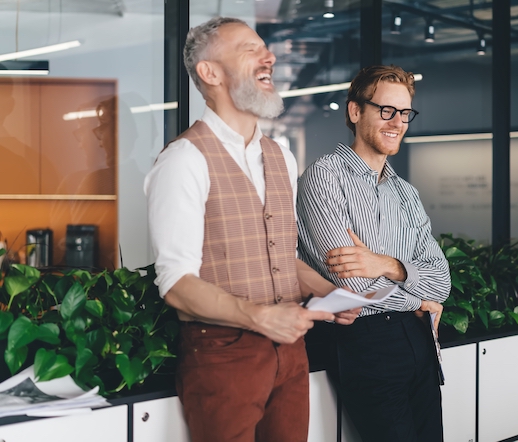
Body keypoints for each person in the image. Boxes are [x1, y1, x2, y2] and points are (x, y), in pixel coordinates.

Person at [144, 17, 358, 442]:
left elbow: (281, 257)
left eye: (266, 48)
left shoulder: (281, 156)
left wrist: (329, 294)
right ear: (210, 73)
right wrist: (260, 317)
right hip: (223, 356)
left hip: (290, 354)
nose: (270, 57)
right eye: (249, 49)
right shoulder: (184, 159)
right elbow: (175, 282)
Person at [297, 65, 452, 442]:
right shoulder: (324, 177)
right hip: (363, 341)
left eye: (404, 114)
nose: (397, 122)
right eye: (386, 111)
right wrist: (415, 293)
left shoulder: (406, 193)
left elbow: (442, 281)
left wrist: (386, 265)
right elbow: (352, 283)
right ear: (355, 111)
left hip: (418, 339)